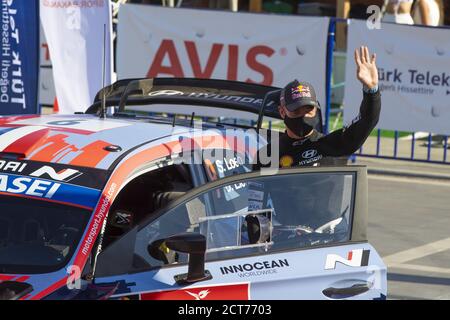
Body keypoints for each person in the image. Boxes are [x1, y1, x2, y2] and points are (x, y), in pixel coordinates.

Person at [256, 46, 381, 168]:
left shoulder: (333, 145)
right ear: (282, 112)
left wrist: (371, 90)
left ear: (316, 109)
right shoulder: (267, 155)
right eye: (297, 110)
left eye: (308, 109)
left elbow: (367, 121)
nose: (304, 115)